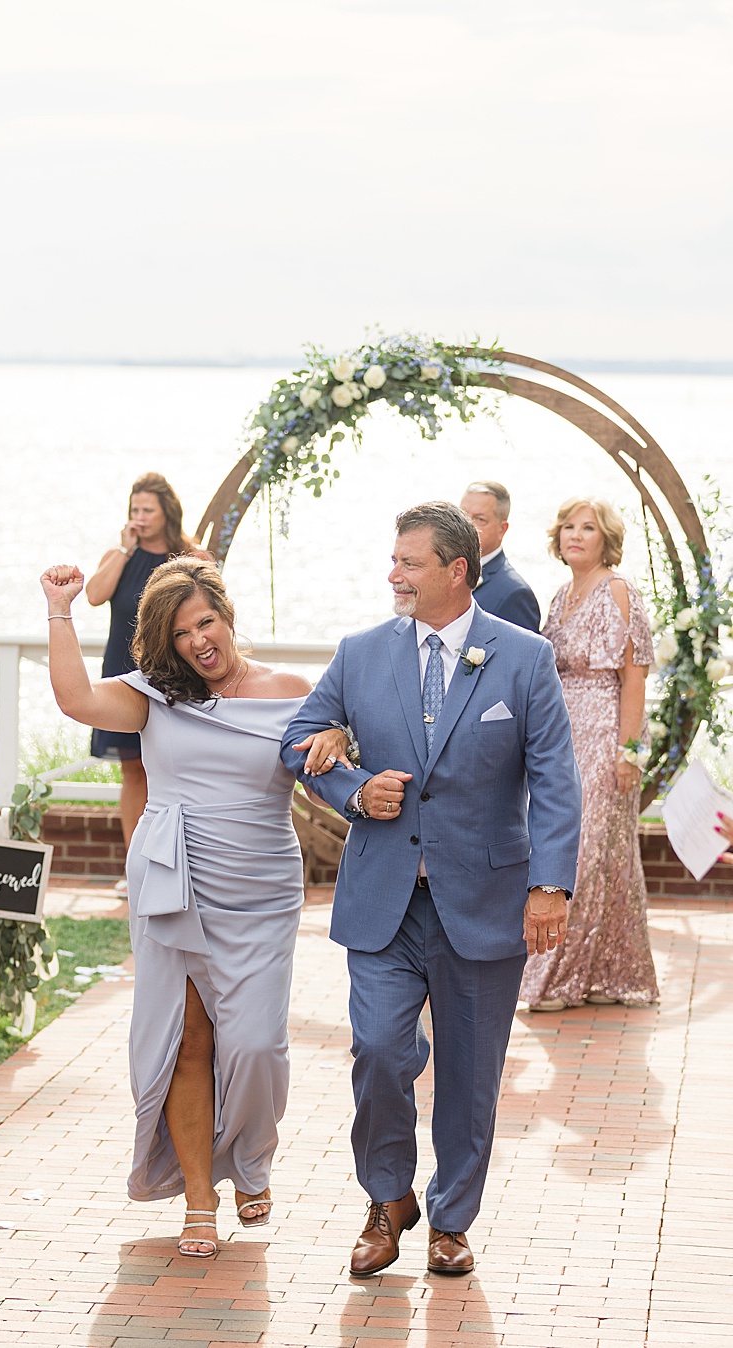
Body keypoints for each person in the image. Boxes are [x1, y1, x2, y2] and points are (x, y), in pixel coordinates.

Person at [280, 501, 581, 1277]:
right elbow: (297, 739)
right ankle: (386, 1200)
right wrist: (351, 786)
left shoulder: (523, 656)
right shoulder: (359, 653)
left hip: (484, 899)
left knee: (473, 1074)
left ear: (456, 570)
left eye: (409, 563)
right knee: (379, 1049)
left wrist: (550, 885)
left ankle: (452, 1219)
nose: (394, 575)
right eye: (394, 560)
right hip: (383, 897)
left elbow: (553, 777)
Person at [47, 556, 350, 1256]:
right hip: (173, 879)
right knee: (187, 1043)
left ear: (226, 611)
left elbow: (320, 775)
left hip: (261, 888)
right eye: (181, 634)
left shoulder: (290, 691)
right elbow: (76, 701)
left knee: (257, 1044)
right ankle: (198, 1198)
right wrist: (61, 609)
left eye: (204, 622)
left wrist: (337, 739)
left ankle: (249, 1160)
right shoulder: (156, 694)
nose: (197, 642)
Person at [520, 497, 658, 1010]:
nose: (575, 535)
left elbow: (635, 679)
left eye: (588, 528)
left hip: (604, 736)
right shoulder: (561, 596)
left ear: (607, 540)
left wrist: (629, 752)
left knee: (588, 853)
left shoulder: (618, 591)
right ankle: (609, 974)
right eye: (568, 527)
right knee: (604, 857)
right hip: (563, 735)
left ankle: (559, 977)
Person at [85, 473, 211, 881]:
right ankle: (136, 867)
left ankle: (186, 863)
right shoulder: (119, 555)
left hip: (178, 674)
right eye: (134, 509)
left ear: (167, 512)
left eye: (147, 510)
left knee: (182, 767)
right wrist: (125, 548)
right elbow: (93, 595)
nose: (140, 516)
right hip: (124, 674)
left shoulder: (191, 557)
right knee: (133, 769)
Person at [461, 481, 541, 631]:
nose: (467, 526)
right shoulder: (443, 572)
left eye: (479, 519)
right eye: (462, 515)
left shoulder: (515, 594)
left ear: (501, 529)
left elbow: (523, 653)